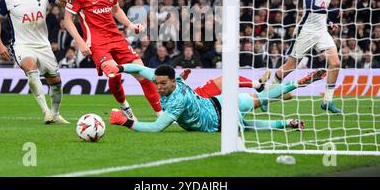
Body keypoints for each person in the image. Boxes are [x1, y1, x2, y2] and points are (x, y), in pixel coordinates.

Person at [64, 0, 162, 120]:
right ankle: (125, 107)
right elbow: (67, 20)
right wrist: (80, 42)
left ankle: (161, 114)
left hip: (116, 37)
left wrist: (130, 25)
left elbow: (116, 10)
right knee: (114, 73)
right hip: (97, 42)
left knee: (142, 72)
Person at [110, 64, 327, 132]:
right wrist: (119, 67)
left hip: (218, 120)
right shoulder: (169, 78)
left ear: (174, 82)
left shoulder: (177, 100)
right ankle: (292, 101)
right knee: (258, 102)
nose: (158, 87)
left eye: (162, 84)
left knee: (249, 124)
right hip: (220, 101)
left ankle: (295, 87)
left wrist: (126, 122)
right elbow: (139, 68)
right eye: (156, 82)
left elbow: (157, 127)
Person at [0, 0, 69, 124]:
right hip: (22, 45)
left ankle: (55, 113)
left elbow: (64, 5)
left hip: (43, 45)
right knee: (30, 68)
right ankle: (46, 112)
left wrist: (64, 0)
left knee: (55, 82)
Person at [271, 0, 342, 114]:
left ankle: (327, 101)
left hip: (322, 31)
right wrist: (331, 11)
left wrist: (329, 20)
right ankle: (267, 94)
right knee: (289, 67)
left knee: (335, 63)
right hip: (307, 31)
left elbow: (323, 9)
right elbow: (310, 7)